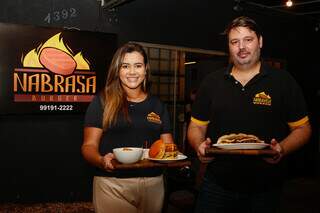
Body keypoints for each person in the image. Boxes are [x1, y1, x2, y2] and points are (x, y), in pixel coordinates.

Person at [187, 16, 312, 213]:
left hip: (266, 188)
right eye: (234, 42)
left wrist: (282, 148)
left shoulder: (282, 81)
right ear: (228, 46)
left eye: (248, 39)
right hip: (217, 186)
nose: (241, 47)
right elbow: (196, 126)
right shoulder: (212, 82)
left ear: (260, 41)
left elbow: (303, 128)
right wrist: (199, 145)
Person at [81, 42, 174, 213]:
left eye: (138, 65)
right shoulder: (102, 101)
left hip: (154, 183)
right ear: (118, 70)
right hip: (112, 184)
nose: (132, 72)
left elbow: (168, 148)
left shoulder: (158, 105)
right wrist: (101, 161)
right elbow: (88, 147)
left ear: (145, 69)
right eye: (125, 66)